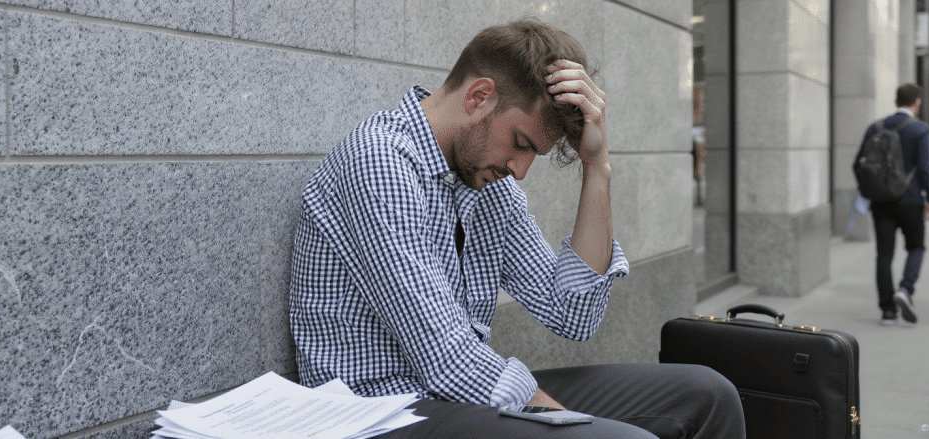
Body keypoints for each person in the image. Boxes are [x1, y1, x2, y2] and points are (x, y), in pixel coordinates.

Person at [288, 18, 745, 439]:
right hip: (381, 414)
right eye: (520, 143)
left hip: (458, 401)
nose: (520, 170)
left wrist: (596, 166)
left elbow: (573, 315)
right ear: (478, 97)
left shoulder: (489, 185)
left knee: (707, 394)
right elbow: (447, 361)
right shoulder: (380, 161)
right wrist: (569, 424)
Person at [859, 83, 929, 325]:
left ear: (895, 102)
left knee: (884, 254)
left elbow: (858, 164)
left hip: (881, 202)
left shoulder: (875, 127)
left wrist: (870, 191)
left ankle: (888, 311)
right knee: (916, 247)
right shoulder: (921, 129)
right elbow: (925, 168)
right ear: (917, 104)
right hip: (911, 200)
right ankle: (905, 288)